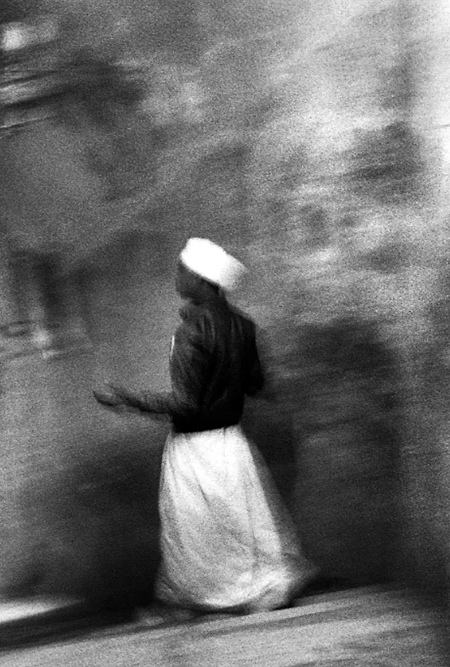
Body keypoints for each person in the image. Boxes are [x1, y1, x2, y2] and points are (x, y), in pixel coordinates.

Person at [94, 237, 314, 617]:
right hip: (232, 444)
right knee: (239, 526)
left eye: (182, 269)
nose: (177, 275)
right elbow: (258, 386)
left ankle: (213, 597)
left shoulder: (190, 331)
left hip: (194, 448)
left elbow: (187, 405)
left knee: (198, 532)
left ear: (201, 279)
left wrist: (127, 398)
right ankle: (255, 591)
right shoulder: (244, 327)